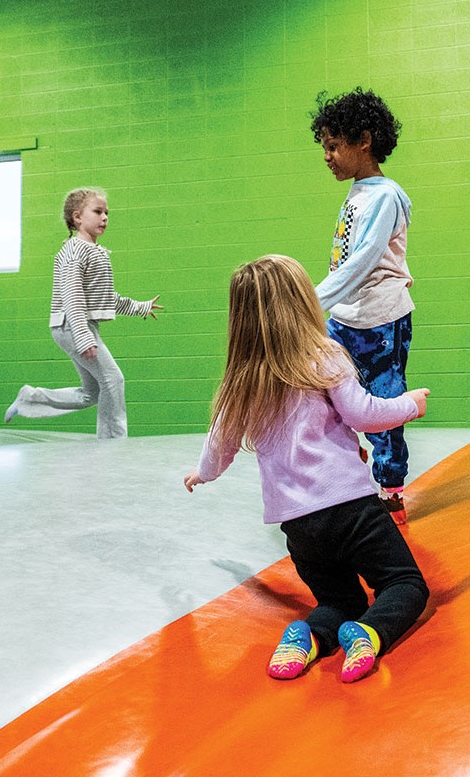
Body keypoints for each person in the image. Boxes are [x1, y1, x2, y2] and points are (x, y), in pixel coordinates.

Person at [184, 255, 431, 684]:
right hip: (352, 509)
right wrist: (409, 405)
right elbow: (362, 414)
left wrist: (201, 474)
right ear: (301, 302)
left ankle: (310, 635)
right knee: (405, 584)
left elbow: (218, 446)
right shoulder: (323, 355)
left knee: (339, 601)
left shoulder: (241, 381)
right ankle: (370, 633)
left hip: (299, 526)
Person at [310, 88, 415, 523]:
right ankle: (346, 473)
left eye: (334, 146)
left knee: (383, 400)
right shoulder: (358, 192)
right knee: (323, 393)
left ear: (364, 141)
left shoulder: (385, 195)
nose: (327, 156)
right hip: (344, 317)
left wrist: (308, 302)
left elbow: (361, 262)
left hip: (379, 319)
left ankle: (390, 490)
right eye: (324, 147)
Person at [4, 188, 161, 438]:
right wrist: (83, 336)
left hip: (79, 326)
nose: (105, 217)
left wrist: (139, 307)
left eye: (107, 213)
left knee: (92, 393)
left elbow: (104, 297)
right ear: (77, 217)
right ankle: (113, 444)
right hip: (71, 325)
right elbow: (72, 297)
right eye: (98, 212)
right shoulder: (74, 251)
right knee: (113, 380)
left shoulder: (95, 251)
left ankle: (30, 399)